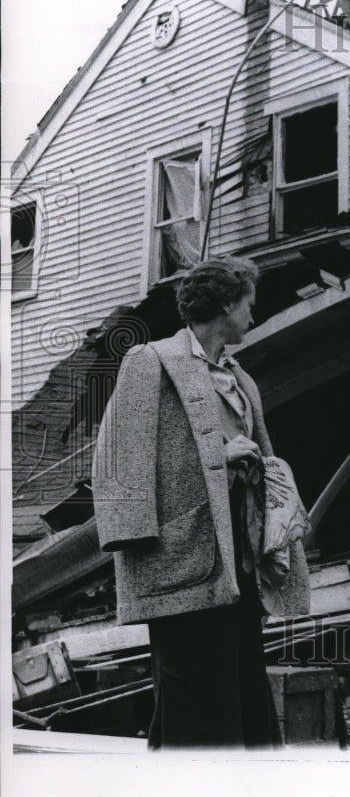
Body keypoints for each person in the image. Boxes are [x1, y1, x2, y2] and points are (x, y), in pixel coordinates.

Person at [92, 256, 310, 749]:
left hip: (240, 552)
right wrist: (219, 456)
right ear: (227, 303)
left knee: (239, 684)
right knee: (191, 689)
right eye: (248, 304)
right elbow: (119, 459)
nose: (254, 314)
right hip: (181, 556)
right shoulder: (151, 361)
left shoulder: (240, 378)